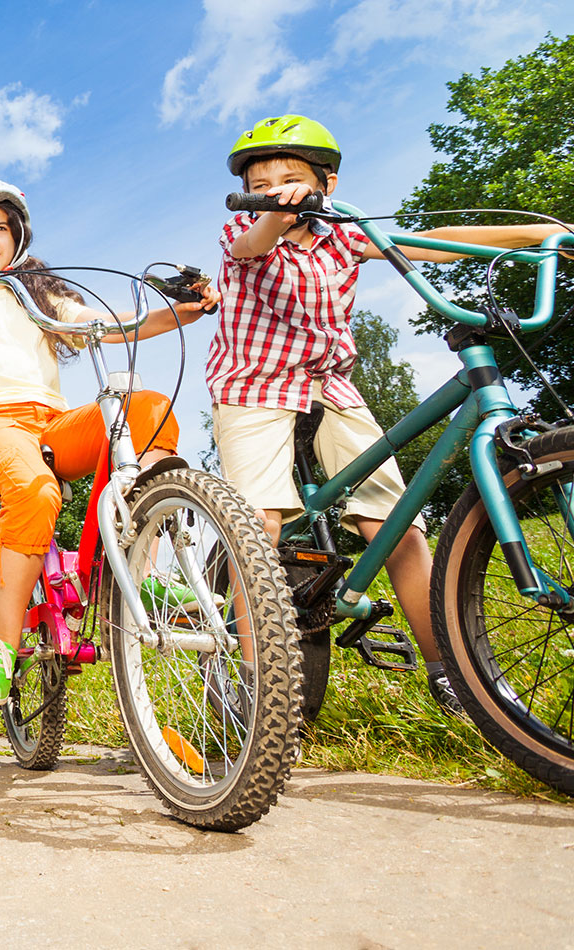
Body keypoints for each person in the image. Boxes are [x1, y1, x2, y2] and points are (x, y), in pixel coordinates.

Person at [210, 114, 568, 711]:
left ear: (327, 184)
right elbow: (255, 243)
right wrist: (275, 212)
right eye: (261, 184)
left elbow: (438, 242)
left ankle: (452, 673)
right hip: (253, 385)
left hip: (331, 387)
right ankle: (255, 685)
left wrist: (544, 232)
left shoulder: (345, 232)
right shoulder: (243, 231)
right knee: (259, 525)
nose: (275, 191)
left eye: (291, 179)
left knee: (397, 523)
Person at [0, 179, 216, 705]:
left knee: (145, 407)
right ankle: (1, 647)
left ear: (18, 234)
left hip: (53, 422)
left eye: (0, 229)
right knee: (35, 490)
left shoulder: (39, 291)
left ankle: (138, 571)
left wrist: (178, 313)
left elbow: (102, 323)